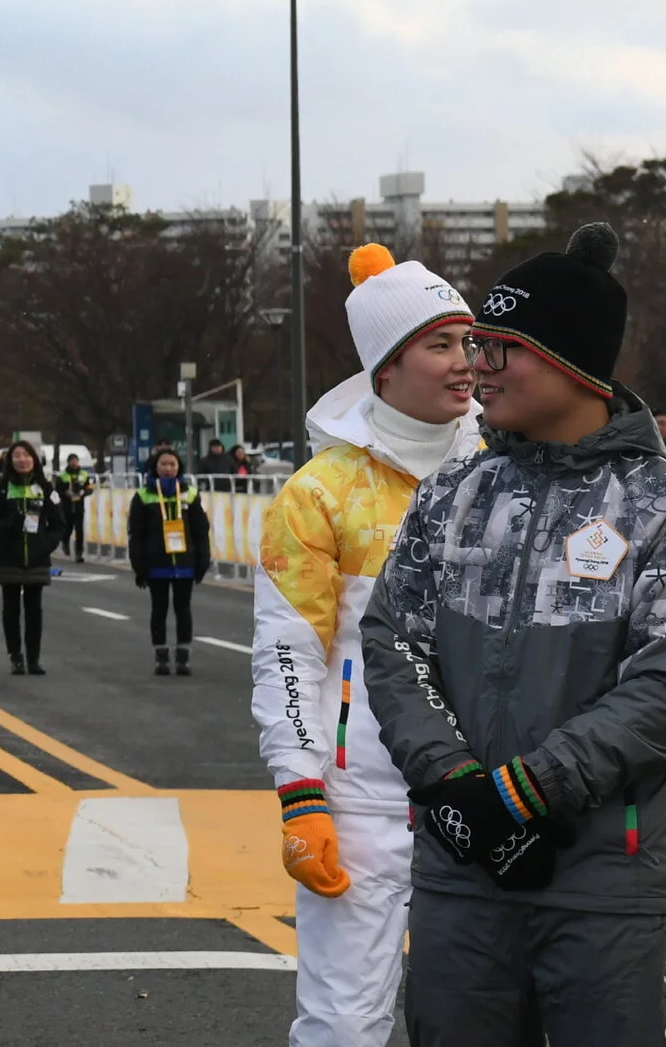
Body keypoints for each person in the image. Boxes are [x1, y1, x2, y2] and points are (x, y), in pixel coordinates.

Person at [364, 224, 666, 1045]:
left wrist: (527, 791)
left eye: (499, 347)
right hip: (464, 870)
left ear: (570, 362)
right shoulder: (454, 491)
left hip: (615, 890)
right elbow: (393, 640)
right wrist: (457, 786)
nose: (478, 366)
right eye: (476, 344)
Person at [252, 245, 477, 1047]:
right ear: (387, 367)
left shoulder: (502, 472)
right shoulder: (319, 492)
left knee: (478, 1023)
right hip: (364, 799)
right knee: (344, 1023)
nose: (466, 361)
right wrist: (301, 790)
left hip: (487, 790)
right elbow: (289, 653)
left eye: (469, 341)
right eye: (441, 344)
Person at [127, 444, 210, 676]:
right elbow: (136, 533)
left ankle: (183, 657)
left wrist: (203, 560)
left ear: (178, 467)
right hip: (156, 562)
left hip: (185, 562)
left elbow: (201, 530)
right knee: (159, 609)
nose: (168, 468)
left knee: (183, 609)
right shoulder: (143, 496)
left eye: (172, 464)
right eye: (163, 464)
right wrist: (138, 565)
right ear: (155, 467)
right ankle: (161, 656)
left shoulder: (190, 494)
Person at [0, 441, 62, 676]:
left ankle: (33, 659)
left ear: (34, 459)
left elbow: (59, 523)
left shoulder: (46, 488)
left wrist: (46, 544)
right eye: (17, 456)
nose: (22, 460)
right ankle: (15, 657)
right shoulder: (0, 488)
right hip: (9, 557)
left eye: (26, 455)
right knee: (11, 609)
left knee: (34, 609)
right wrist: (12, 523)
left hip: (37, 558)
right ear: (10, 460)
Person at [56, 451, 95, 563]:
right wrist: (66, 493)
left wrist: (84, 492)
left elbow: (90, 487)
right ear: (68, 462)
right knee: (68, 527)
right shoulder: (63, 476)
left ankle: (79, 553)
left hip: (79, 506)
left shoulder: (84, 474)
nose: (74, 463)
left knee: (79, 530)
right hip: (67, 506)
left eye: (76, 461)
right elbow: (58, 490)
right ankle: (65, 542)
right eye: (72, 461)